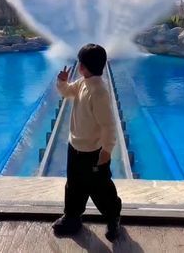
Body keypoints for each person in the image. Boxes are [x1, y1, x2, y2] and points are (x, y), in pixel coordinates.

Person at [52, 43, 121, 242]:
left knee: (101, 189)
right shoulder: (83, 82)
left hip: (93, 152)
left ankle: (112, 217)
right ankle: (72, 217)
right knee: (73, 185)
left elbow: (109, 125)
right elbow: (67, 92)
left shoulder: (99, 92)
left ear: (83, 66)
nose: (78, 65)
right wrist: (62, 82)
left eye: (80, 62)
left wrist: (107, 150)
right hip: (75, 147)